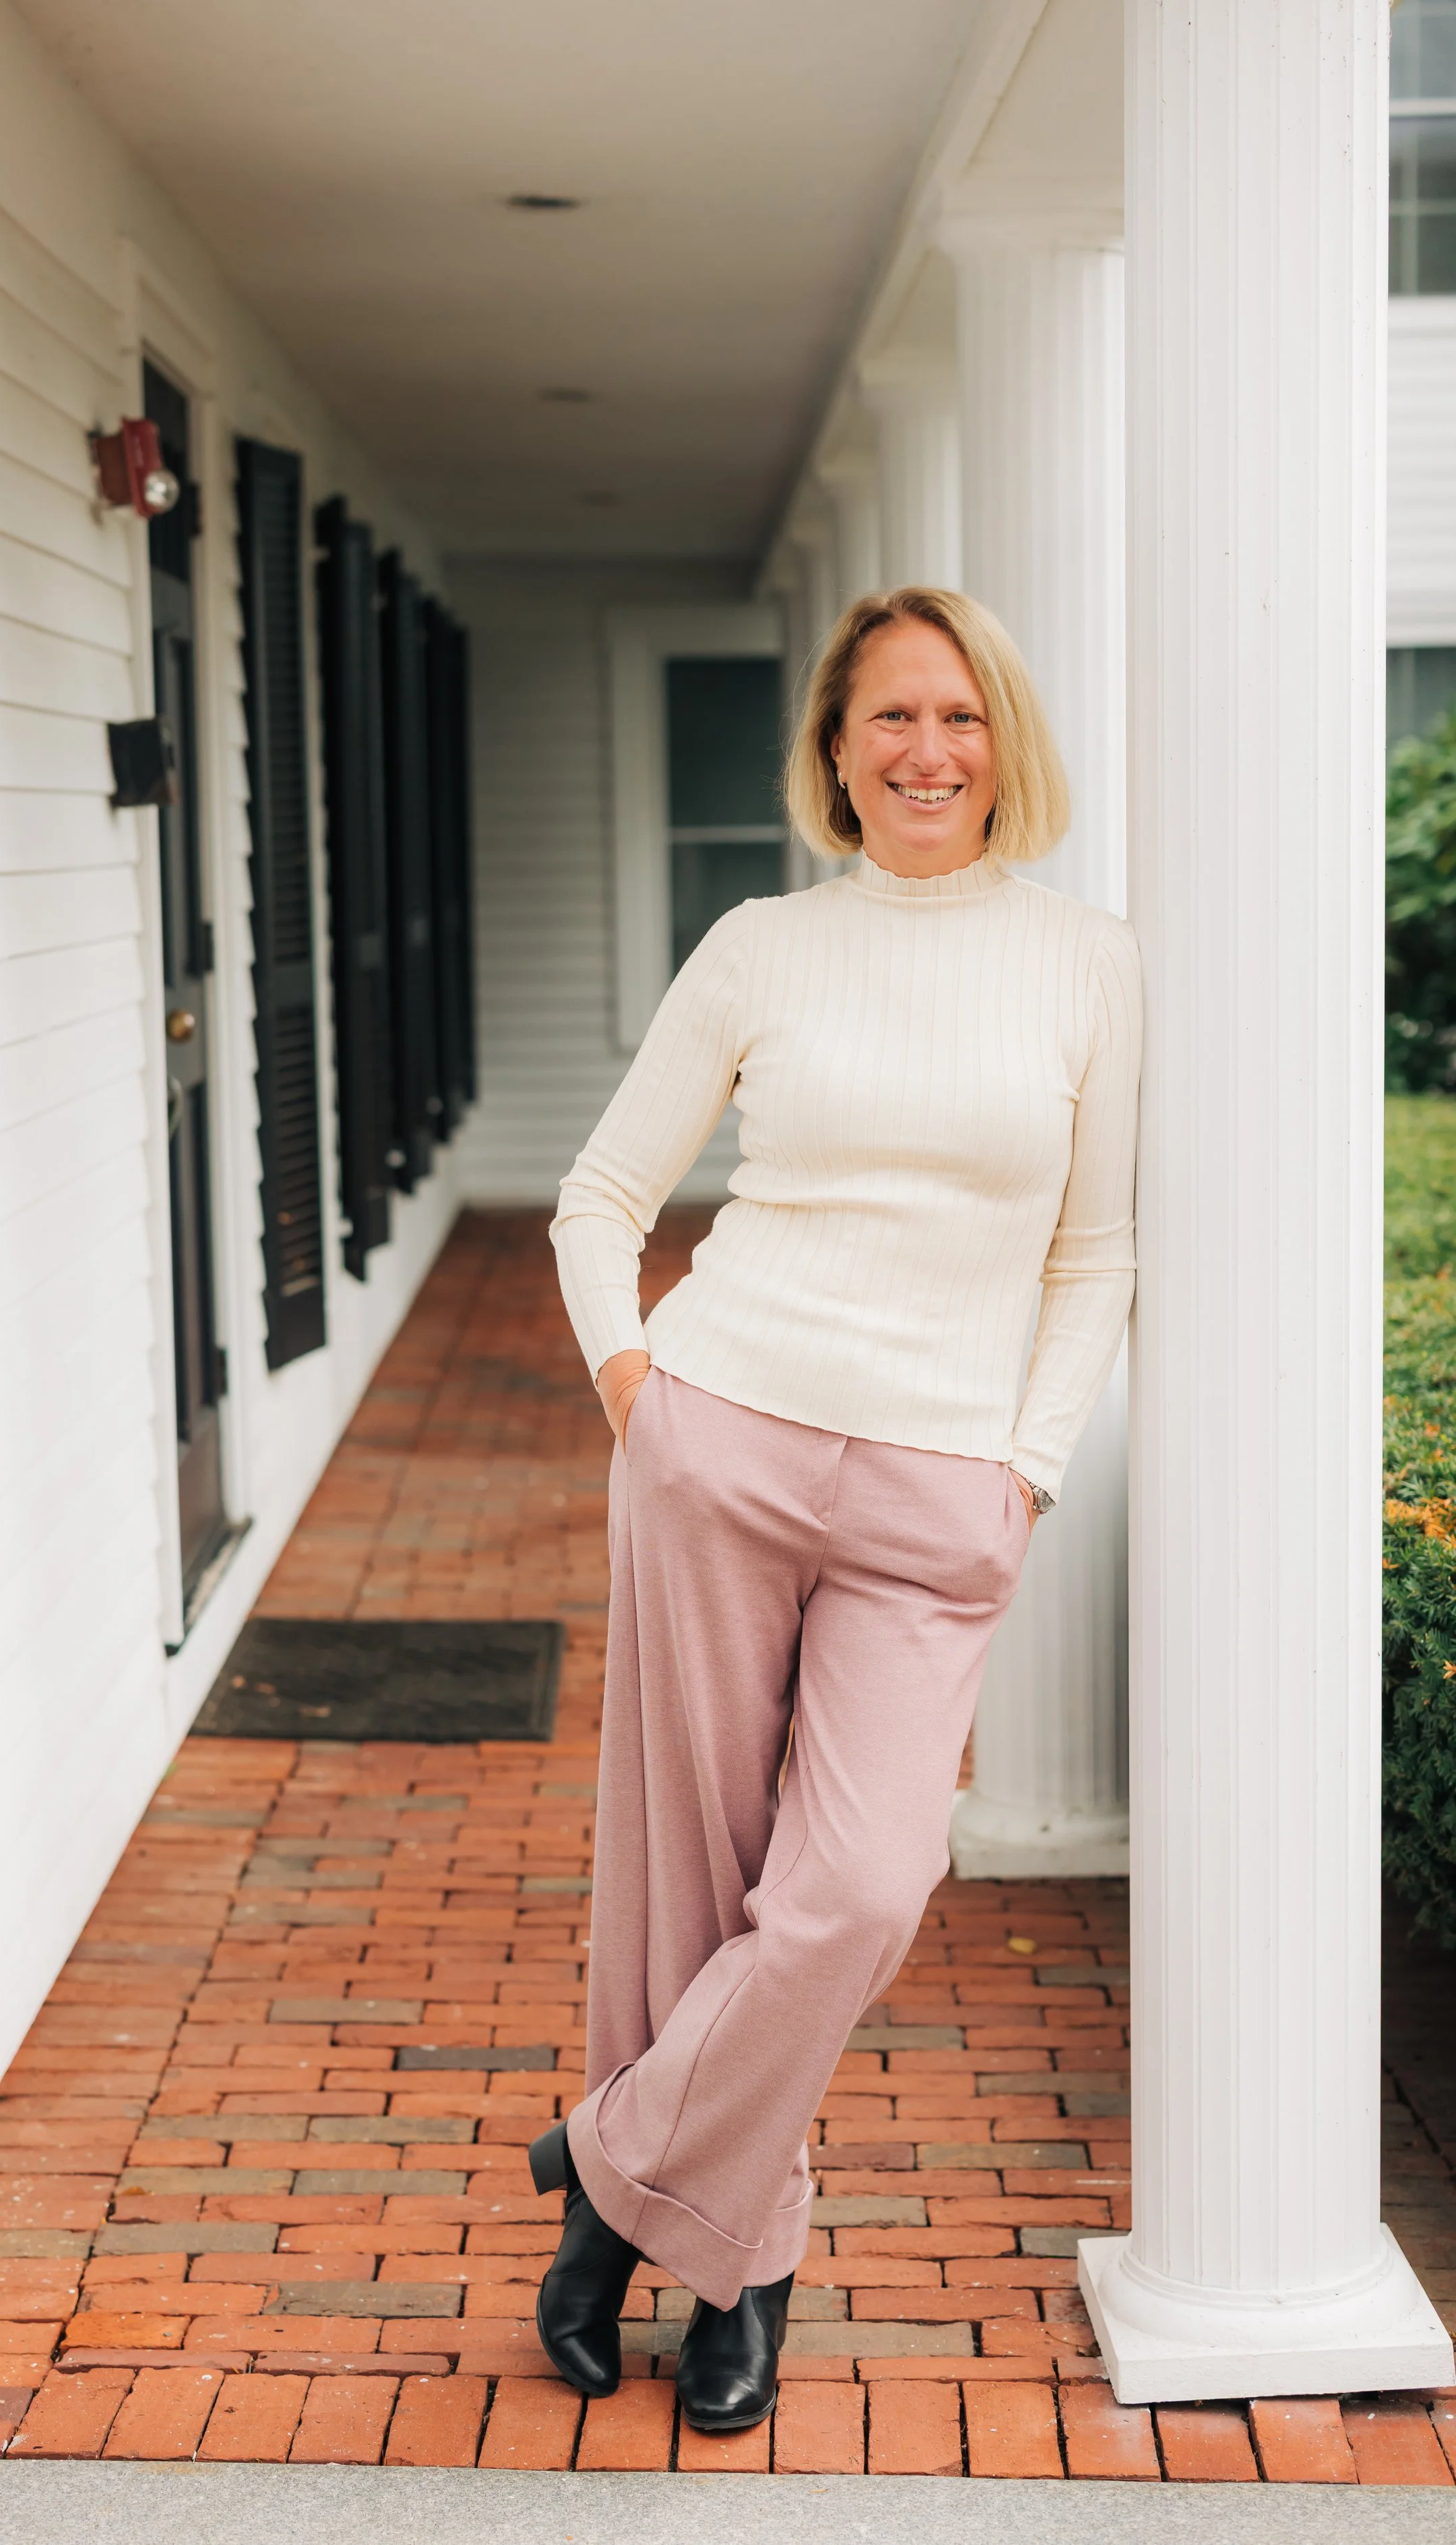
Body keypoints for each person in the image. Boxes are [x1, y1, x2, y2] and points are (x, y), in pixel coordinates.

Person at [529, 587, 1142, 2434]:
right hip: (724, 1431)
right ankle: (742, 2270)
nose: (924, 749)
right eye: (888, 717)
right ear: (833, 750)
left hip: (938, 1479)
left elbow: (1093, 1252)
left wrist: (1022, 1467)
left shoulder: (1087, 961)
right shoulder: (756, 949)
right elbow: (594, 1198)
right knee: (685, 1875)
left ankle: (608, 2174)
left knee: (854, 1886)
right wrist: (643, 1402)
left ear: (1000, 738)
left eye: (954, 714)